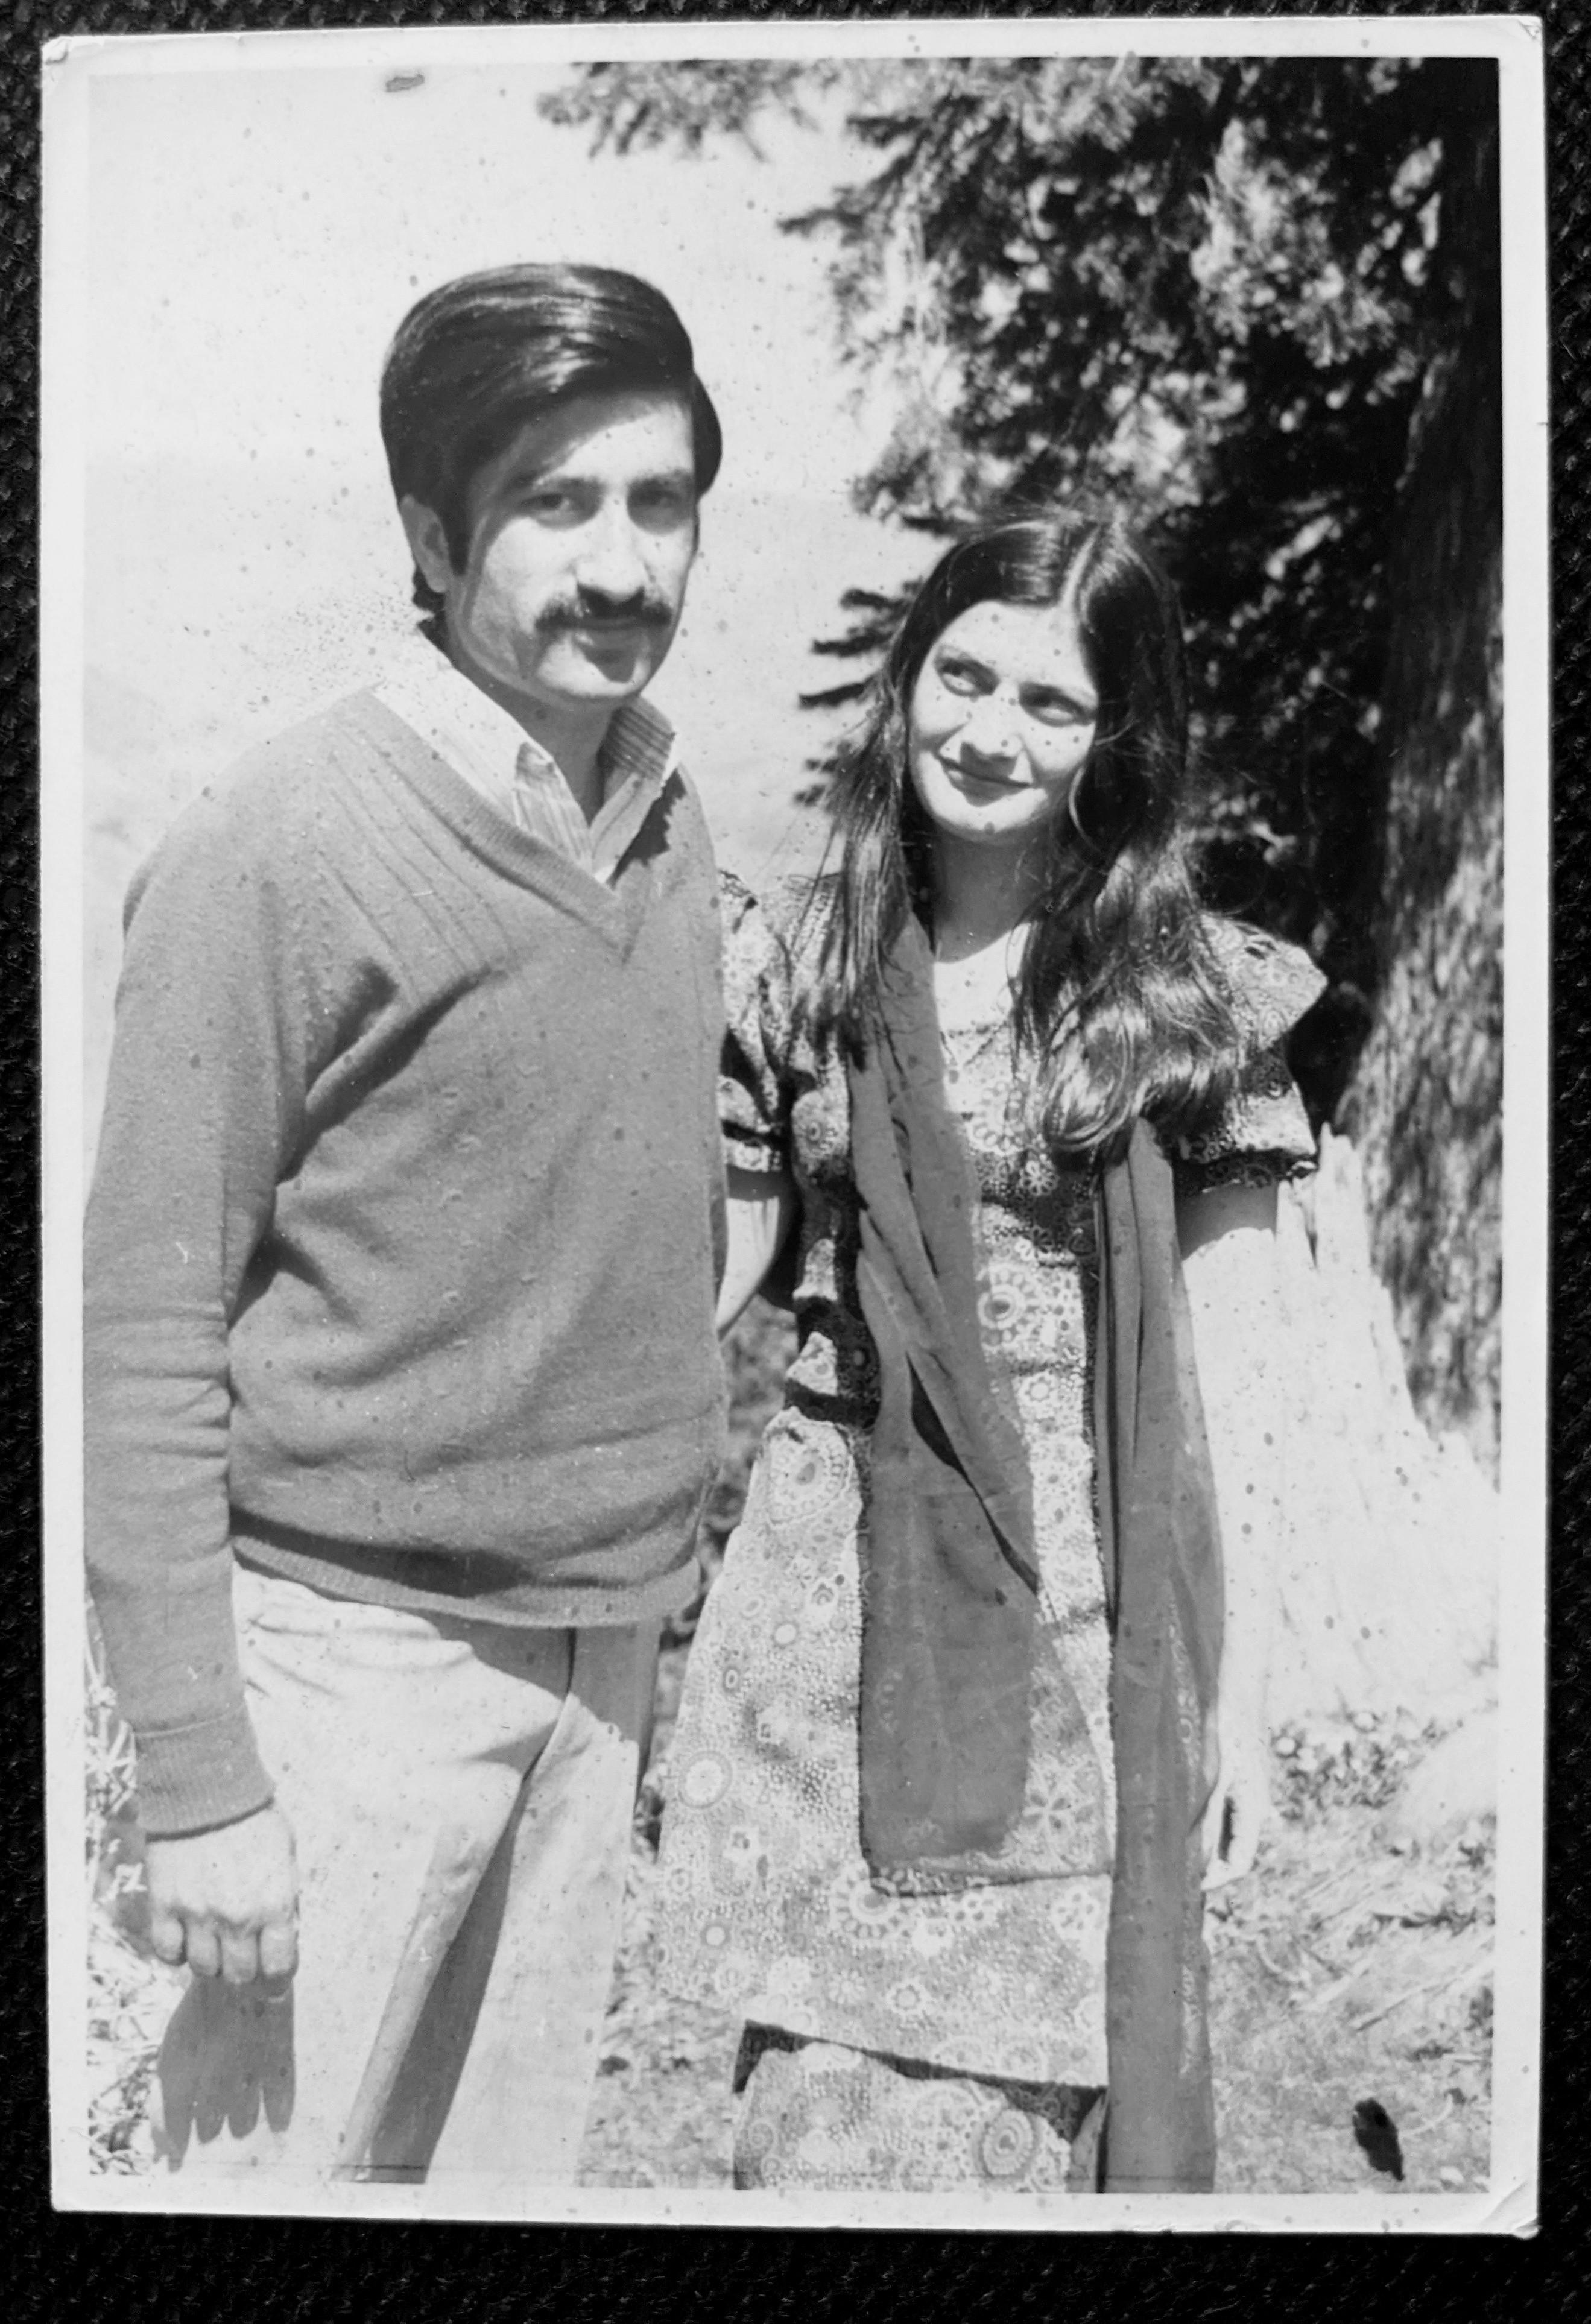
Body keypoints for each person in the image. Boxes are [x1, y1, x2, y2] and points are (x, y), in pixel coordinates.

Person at [85, 263, 729, 2187]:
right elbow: (142, 1337)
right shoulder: (274, 844)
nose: (623, 564)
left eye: (662, 502)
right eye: (556, 502)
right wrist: (199, 1781)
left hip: (599, 1672)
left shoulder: (672, 820)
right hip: (343, 1679)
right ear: (435, 540)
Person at [653, 507, 1326, 2195]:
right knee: (813, 2125)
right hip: (827, 1621)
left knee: (1017, 2119)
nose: (989, 730)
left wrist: (1244, 1698)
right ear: (909, 679)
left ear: (1117, 740)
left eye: (1051, 701)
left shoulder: (1186, 999)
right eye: (962, 676)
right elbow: (717, 1270)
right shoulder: (796, 962)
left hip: (1084, 1625)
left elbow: (1240, 1377)